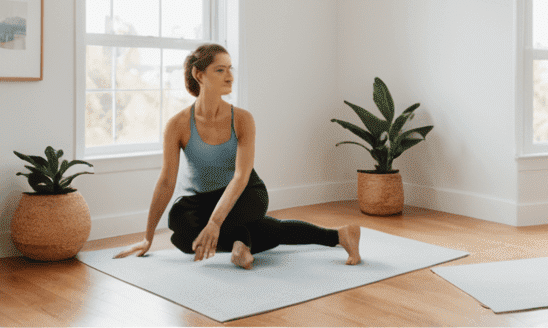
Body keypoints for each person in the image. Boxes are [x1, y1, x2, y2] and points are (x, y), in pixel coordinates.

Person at [114, 43, 363, 270]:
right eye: (220, 70)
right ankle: (339, 235)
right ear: (199, 75)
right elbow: (167, 181)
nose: (230, 76)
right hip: (201, 200)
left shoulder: (242, 119)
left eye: (230, 68)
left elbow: (241, 176)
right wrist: (147, 237)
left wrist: (214, 223)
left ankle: (241, 242)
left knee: (227, 221)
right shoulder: (177, 125)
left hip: (245, 193)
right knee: (181, 230)